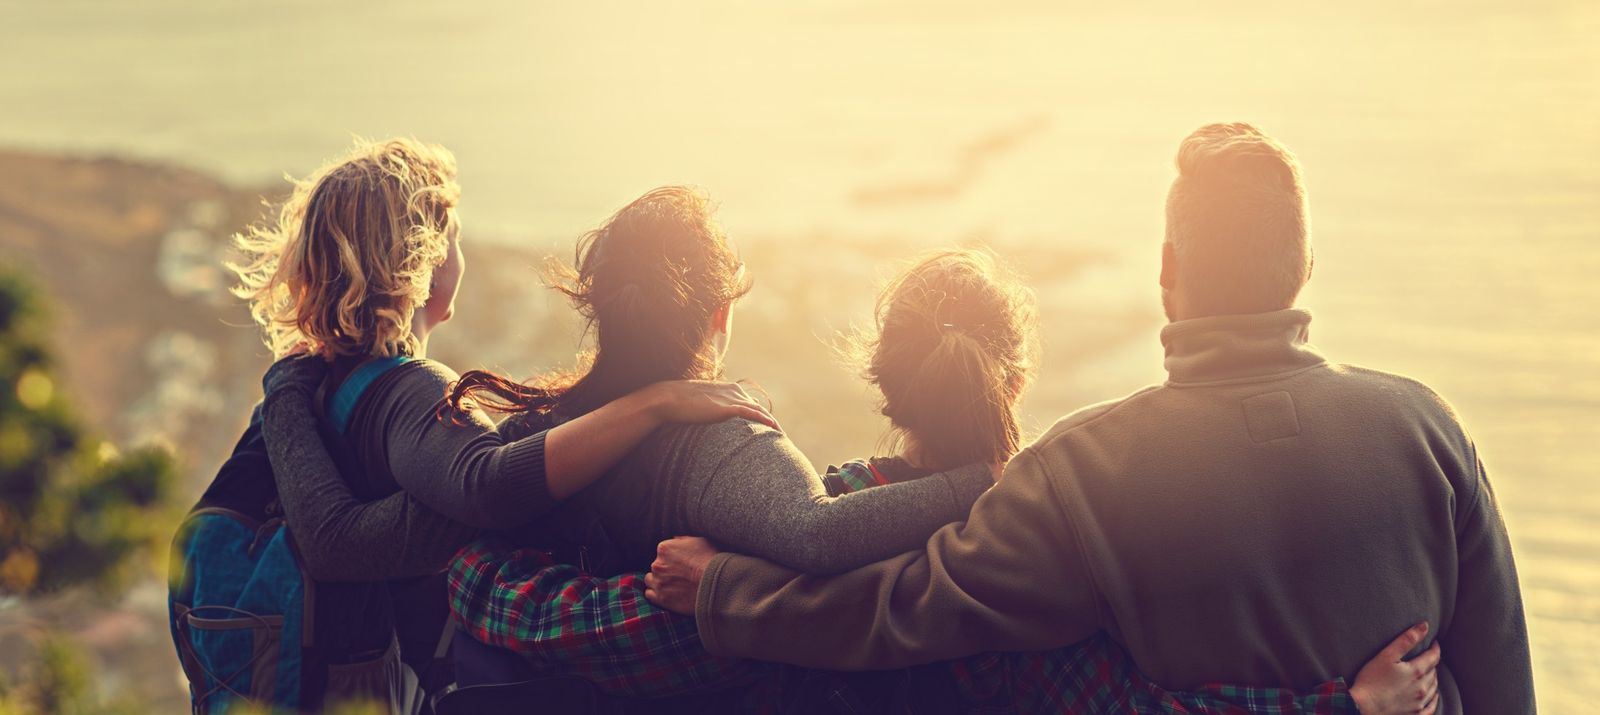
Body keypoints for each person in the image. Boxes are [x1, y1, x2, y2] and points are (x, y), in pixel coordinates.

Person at [646, 123, 1534, 715]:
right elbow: (1501, 679)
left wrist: (731, 592)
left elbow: (901, 613)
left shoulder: (1089, 472)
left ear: (1166, 268)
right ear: (1305, 264)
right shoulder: (1428, 432)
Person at [452, 248, 1438, 713]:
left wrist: (470, 553)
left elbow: (583, 630)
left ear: (880, 377)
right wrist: (1340, 709)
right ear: (1015, 378)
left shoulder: (772, 553)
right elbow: (1143, 703)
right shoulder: (1049, 547)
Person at [230, 138, 777, 705]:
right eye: (456, 239)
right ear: (430, 260)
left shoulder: (320, 382)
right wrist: (655, 403)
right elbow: (482, 489)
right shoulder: (410, 389)